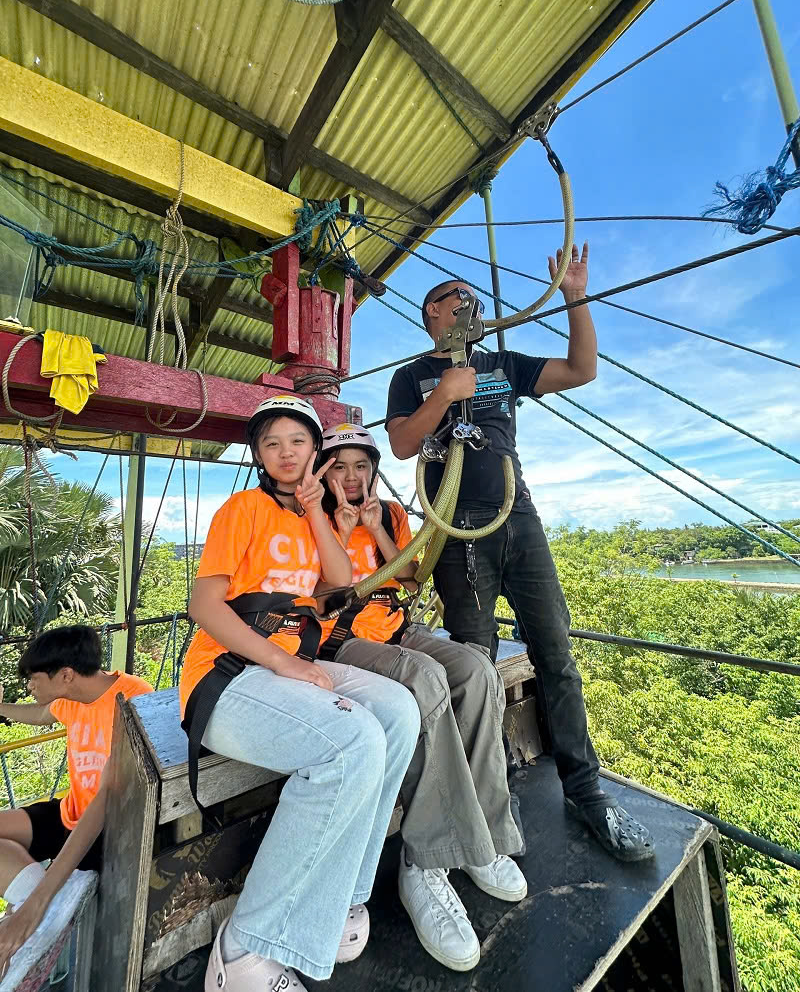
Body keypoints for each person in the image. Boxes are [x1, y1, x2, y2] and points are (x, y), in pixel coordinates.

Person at [384, 245, 655, 863]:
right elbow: (400, 444)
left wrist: (575, 297)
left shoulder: (502, 363)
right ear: (431, 314)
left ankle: (586, 793)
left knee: (556, 653)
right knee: (475, 665)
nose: (468, 302)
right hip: (455, 530)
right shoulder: (410, 376)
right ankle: (486, 800)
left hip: (518, 519)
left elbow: (581, 369)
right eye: (454, 296)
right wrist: (444, 394)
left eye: (472, 296)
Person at [180, 395, 420, 992]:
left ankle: (341, 897)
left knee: (398, 711)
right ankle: (243, 949)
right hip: (228, 675)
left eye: (298, 442)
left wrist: (316, 510)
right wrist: (281, 662)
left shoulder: (313, 517)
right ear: (259, 456)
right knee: (351, 742)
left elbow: (340, 583)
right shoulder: (243, 509)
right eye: (272, 444)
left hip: (289, 666)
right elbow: (204, 606)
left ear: (316, 452)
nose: (286, 453)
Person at [315, 424, 525, 972]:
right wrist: (341, 529)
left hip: (397, 628)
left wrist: (374, 528)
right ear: (324, 472)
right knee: (426, 679)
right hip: (343, 642)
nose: (352, 478)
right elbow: (315, 597)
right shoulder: (309, 516)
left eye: (361, 467)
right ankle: (426, 859)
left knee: (478, 671)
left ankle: (484, 837)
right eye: (341, 467)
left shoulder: (388, 515)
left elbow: (409, 578)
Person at [0, 624, 153, 981]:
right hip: (71, 811)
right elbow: (40, 715)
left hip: (107, 829)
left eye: (33, 679)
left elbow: (107, 797)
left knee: (38, 899)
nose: (29, 686)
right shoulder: (72, 698)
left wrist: (34, 907)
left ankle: (39, 905)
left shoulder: (132, 699)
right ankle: (42, 898)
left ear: (66, 675)